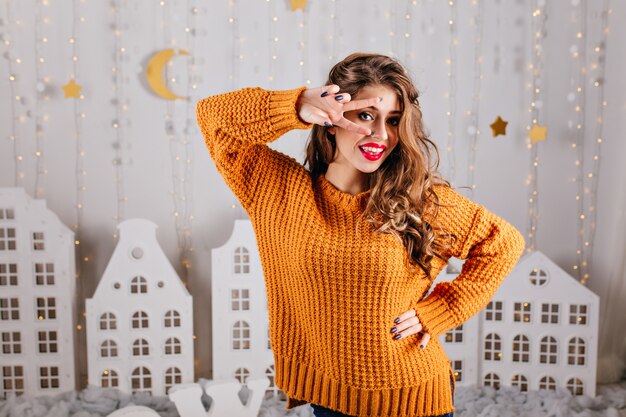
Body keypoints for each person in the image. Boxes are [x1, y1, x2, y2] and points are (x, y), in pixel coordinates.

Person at [196, 53, 525, 417]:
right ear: (332, 120)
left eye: (394, 120)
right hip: (331, 399)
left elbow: (503, 244)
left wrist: (445, 307)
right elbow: (213, 117)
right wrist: (298, 104)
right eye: (366, 115)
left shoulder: (419, 200)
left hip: (413, 398)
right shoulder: (278, 190)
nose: (381, 134)